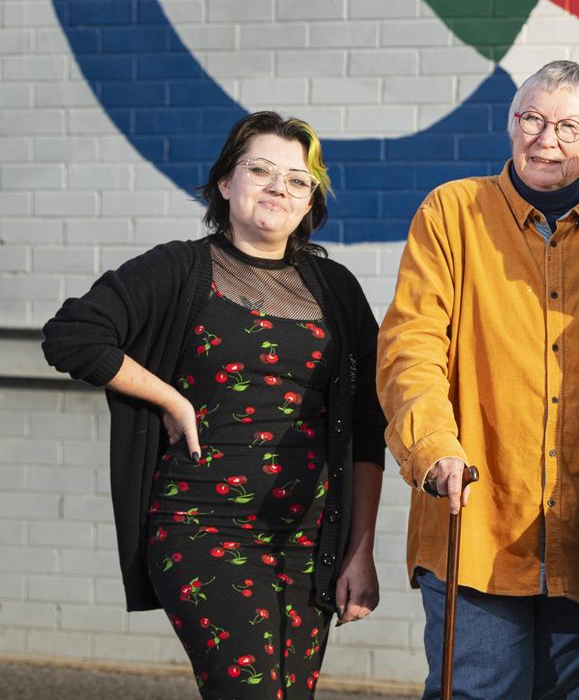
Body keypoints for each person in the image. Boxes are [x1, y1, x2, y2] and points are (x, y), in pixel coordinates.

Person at [42, 111, 387, 699]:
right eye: (260, 169)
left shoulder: (338, 290)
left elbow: (366, 424)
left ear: (310, 202)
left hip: (308, 541)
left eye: (298, 180)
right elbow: (71, 335)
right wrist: (169, 397)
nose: (279, 186)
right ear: (225, 182)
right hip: (202, 526)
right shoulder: (180, 268)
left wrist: (360, 552)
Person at [377, 60, 579, 700]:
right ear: (510, 124)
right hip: (478, 521)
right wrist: (432, 446)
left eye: (571, 126)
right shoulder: (451, 213)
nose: (548, 140)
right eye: (533, 119)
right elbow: (412, 345)